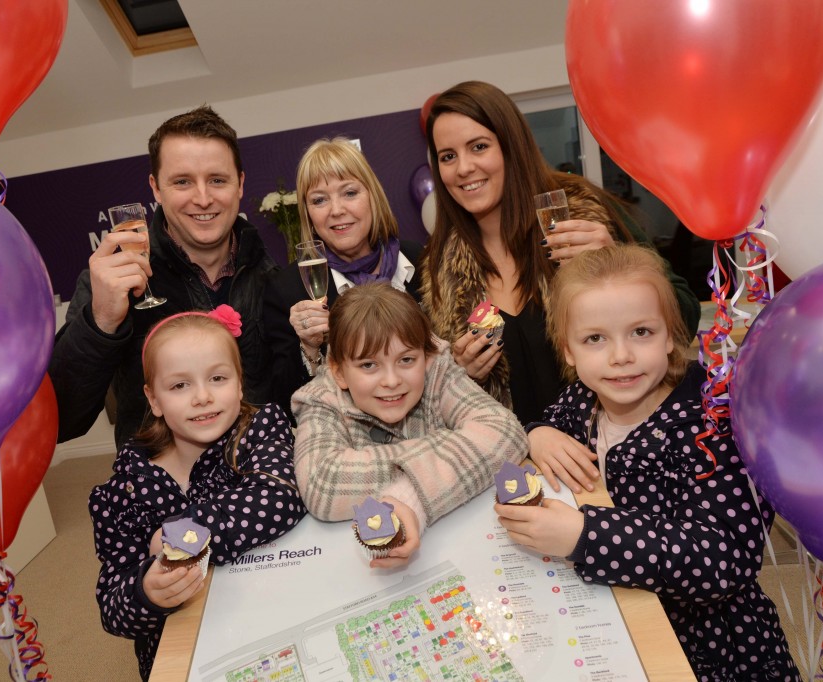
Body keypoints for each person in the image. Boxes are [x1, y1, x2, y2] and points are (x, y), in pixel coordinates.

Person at [496, 243, 799, 681]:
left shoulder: (714, 427)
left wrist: (585, 535)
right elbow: (551, 420)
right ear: (568, 350)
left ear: (671, 335)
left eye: (641, 332)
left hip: (711, 649)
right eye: (595, 339)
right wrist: (538, 432)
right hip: (615, 621)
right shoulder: (582, 399)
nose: (620, 356)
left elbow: (723, 561)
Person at [420, 80, 700, 425]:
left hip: (615, 444)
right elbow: (432, 402)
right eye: (448, 156)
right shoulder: (438, 270)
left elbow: (684, 319)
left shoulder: (585, 216)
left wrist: (617, 261)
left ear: (511, 146)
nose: (463, 167)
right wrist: (462, 374)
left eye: (478, 147)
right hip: (515, 455)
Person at [89, 307, 305, 680]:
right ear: (154, 400)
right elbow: (112, 610)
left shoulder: (259, 432)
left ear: (240, 383)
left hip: (264, 622)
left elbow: (280, 497)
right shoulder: (123, 492)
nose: (202, 396)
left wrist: (182, 534)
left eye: (217, 378)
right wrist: (147, 593)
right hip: (186, 655)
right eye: (180, 386)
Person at [50, 104, 278, 449]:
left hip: (258, 475)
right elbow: (61, 421)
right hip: (158, 478)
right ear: (156, 189)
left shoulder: (273, 279)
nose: (203, 198)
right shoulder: (113, 283)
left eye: (217, 180)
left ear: (240, 184)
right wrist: (101, 321)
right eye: (182, 181)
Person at [292, 282, 527, 568]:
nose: (391, 381)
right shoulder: (320, 398)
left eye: (406, 360)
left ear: (424, 357)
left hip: (455, 553)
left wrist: (410, 496)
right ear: (339, 372)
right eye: (368, 365)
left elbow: (506, 432)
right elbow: (321, 486)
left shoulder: (436, 369)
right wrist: (451, 448)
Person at [263, 137, 425, 417]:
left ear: (372, 195)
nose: (336, 210)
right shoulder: (287, 289)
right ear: (308, 213)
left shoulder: (419, 260)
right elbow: (283, 406)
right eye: (319, 200)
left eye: (349, 193)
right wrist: (309, 349)